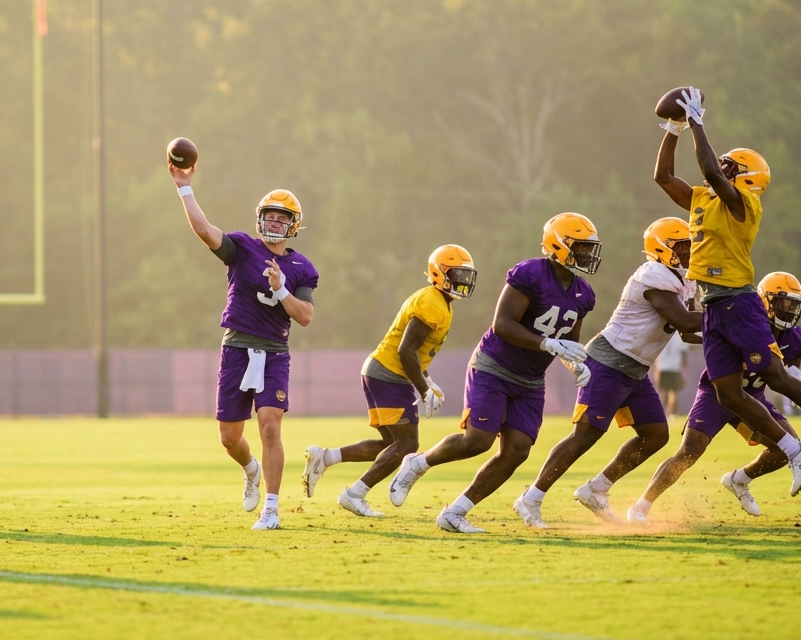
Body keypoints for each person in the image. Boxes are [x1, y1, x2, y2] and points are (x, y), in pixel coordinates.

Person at [654, 89, 801, 495]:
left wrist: (698, 122)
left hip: (738, 299)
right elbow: (663, 177)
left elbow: (714, 173)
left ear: (744, 177)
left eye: (731, 166)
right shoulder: (704, 198)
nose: (721, 168)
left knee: (773, 374)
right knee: (728, 393)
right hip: (714, 306)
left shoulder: (743, 203)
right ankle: (790, 448)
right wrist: (674, 129)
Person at [387, 213, 599, 534]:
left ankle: (456, 512)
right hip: (495, 366)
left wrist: (575, 363)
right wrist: (548, 344)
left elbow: (567, 340)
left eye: (589, 248)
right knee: (477, 441)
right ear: (558, 244)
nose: (587, 255)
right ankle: (417, 463)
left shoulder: (584, 293)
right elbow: (503, 324)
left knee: (517, 451)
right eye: (580, 247)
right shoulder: (530, 273)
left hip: (530, 380)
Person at [512, 217, 699, 528]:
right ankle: (530, 498)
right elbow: (686, 322)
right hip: (608, 361)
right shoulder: (653, 275)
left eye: (690, 245)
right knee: (586, 435)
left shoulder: (684, 278)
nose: (689, 252)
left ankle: (597, 489)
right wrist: (732, 316)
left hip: (635, 367)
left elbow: (692, 333)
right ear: (662, 248)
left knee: (655, 435)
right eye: (682, 246)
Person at [168, 161, 317, 531]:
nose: (274, 223)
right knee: (230, 438)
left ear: (293, 225)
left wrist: (281, 287)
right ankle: (251, 469)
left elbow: (305, 316)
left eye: (282, 219)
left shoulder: (301, 267)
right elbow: (204, 230)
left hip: (274, 353)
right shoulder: (243, 248)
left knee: (269, 426)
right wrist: (184, 187)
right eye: (269, 216)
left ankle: (272, 508)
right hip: (236, 347)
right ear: (259, 218)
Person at [301, 246, 477, 517]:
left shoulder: (439, 301)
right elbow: (405, 350)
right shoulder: (431, 302)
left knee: (390, 445)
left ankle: (325, 457)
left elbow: (414, 350)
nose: (463, 281)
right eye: (458, 274)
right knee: (407, 445)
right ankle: (355, 493)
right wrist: (422, 388)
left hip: (382, 371)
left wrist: (428, 380)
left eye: (466, 275)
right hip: (389, 374)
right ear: (439, 272)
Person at [630, 272, 801, 521]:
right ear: (765, 301)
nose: (789, 311)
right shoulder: (741, 324)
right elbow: (693, 334)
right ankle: (641, 505)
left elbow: (792, 363)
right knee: (689, 452)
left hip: (753, 399)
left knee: (788, 448)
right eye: (784, 303)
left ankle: (739, 480)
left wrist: (795, 375)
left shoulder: (796, 337)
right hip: (716, 395)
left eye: (794, 305)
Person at [655, 333, 690, 417]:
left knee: (667, 392)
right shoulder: (680, 334)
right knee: (672, 392)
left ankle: (667, 413)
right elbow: (684, 353)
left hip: (665, 366)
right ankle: (669, 413)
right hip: (672, 367)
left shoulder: (660, 334)